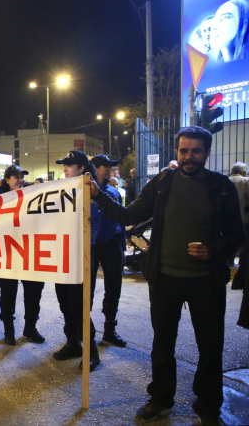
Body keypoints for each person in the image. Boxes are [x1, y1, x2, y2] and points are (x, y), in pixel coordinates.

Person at [86, 126, 245, 423]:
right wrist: (98, 196)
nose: (189, 157)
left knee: (210, 347)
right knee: (162, 345)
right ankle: (160, 399)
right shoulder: (161, 183)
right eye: (183, 151)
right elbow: (128, 215)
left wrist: (213, 250)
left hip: (206, 282)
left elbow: (237, 234)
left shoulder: (222, 186)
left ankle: (209, 407)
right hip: (165, 280)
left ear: (207, 153)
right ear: (177, 152)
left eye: (196, 151)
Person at [52, 150, 102, 371]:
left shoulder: (91, 191)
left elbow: (91, 227)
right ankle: (73, 343)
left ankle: (91, 351)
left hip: (81, 254)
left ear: (81, 168)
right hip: (62, 253)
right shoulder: (61, 190)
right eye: (64, 165)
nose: (65, 168)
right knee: (64, 302)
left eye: (69, 165)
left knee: (79, 305)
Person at [0, 165, 45, 345]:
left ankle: (30, 328)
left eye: (21, 176)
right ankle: (9, 330)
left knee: (34, 293)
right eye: (15, 176)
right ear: (7, 180)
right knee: (8, 294)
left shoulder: (33, 195)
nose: (20, 179)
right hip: (8, 254)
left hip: (30, 253)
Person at [90, 155, 127, 348]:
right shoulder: (84, 191)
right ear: (95, 169)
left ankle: (109, 330)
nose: (110, 170)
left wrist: (122, 246)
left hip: (112, 243)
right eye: (106, 166)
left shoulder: (114, 192)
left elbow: (121, 219)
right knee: (87, 290)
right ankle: (84, 332)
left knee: (114, 287)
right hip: (93, 245)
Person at [230, 163, 249, 288]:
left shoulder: (225, 180)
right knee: (244, 244)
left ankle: (229, 263)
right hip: (244, 219)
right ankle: (242, 263)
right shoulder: (245, 181)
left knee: (230, 242)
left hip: (228, 220)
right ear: (243, 172)